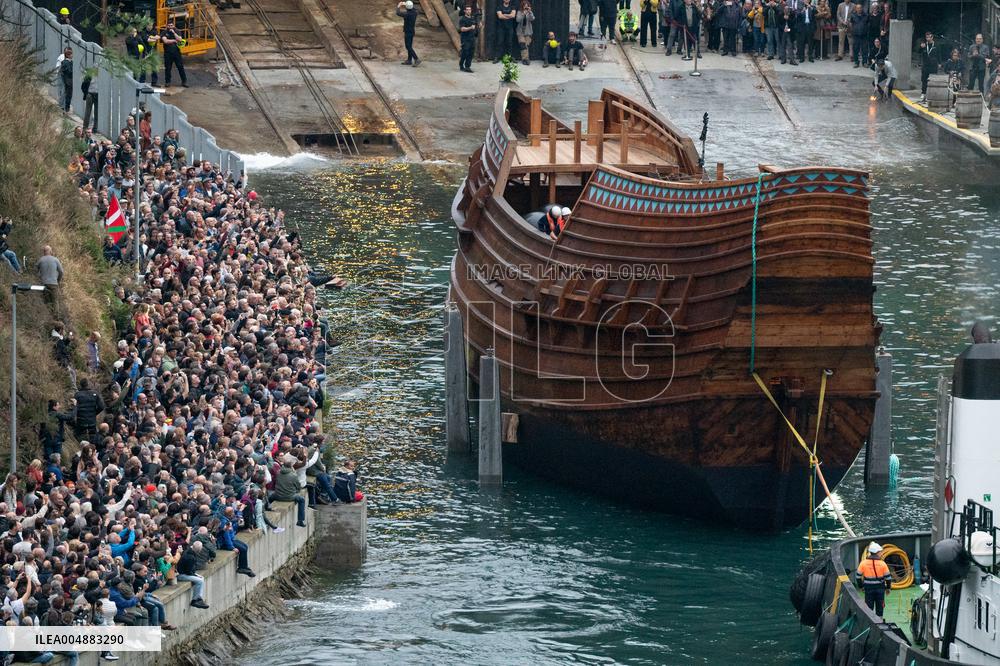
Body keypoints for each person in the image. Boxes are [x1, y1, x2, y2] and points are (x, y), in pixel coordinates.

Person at [856, 542, 891, 617]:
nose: (881, 553)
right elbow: (888, 578)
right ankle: (880, 621)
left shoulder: (863, 563)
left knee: (869, 608)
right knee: (880, 607)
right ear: (877, 553)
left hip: (868, 589)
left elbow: (858, 577)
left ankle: (870, 622)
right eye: (880, 552)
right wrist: (888, 588)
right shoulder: (882, 564)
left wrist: (861, 586)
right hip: (880, 589)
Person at [271, 460, 308, 527]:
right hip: (290, 497)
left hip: (277, 496)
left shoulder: (278, 473)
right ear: (291, 466)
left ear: (283, 465)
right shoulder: (293, 475)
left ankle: (267, 508)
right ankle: (300, 520)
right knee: (302, 500)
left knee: (270, 497)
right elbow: (298, 486)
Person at [175, 544, 209, 609]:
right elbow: (188, 571)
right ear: (199, 551)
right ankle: (195, 600)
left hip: (182, 572)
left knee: (201, 578)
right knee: (200, 581)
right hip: (181, 575)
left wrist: (195, 574)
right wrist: (194, 574)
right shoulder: (191, 557)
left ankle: (199, 598)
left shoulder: (188, 551)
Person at [160, 20, 188, 87]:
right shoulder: (164, 32)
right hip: (167, 53)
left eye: (171, 25)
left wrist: (174, 33)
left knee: (180, 67)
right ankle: (167, 82)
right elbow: (165, 41)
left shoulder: (177, 31)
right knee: (168, 68)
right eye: (169, 26)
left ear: (174, 25)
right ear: (167, 26)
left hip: (177, 53)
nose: (170, 27)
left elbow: (180, 39)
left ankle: (184, 82)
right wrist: (174, 40)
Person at [397, 0, 421, 66]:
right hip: (412, 31)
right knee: (410, 46)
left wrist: (398, 6)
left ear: (407, 7)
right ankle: (409, 60)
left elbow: (398, 13)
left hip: (407, 32)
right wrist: (406, 4)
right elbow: (412, 8)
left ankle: (416, 59)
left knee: (408, 47)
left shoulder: (406, 14)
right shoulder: (415, 12)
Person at [919, 31, 940, 100]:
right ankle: (923, 93)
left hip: (933, 65)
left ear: (932, 37)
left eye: (929, 37)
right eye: (926, 37)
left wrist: (939, 63)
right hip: (925, 64)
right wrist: (921, 47)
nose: (928, 39)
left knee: (932, 80)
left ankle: (932, 93)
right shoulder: (924, 45)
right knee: (924, 79)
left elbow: (939, 55)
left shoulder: (936, 45)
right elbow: (919, 52)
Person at [459, 5, 479, 72]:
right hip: (465, 39)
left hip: (472, 38)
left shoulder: (473, 18)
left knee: (471, 53)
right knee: (465, 52)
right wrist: (470, 28)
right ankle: (461, 65)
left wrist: (479, 26)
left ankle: (467, 66)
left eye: (469, 10)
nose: (469, 11)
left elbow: (475, 26)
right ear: (465, 11)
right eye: (467, 10)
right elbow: (462, 29)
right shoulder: (462, 19)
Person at [55, 47, 73, 113]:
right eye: (69, 53)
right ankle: (62, 106)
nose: (71, 54)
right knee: (63, 91)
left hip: (68, 79)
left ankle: (65, 106)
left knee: (67, 93)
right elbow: (58, 68)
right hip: (63, 77)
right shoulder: (62, 58)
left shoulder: (71, 61)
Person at [849, 3, 867, 68]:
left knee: (864, 50)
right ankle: (856, 62)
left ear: (862, 8)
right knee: (855, 49)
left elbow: (868, 24)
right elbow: (850, 24)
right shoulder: (853, 15)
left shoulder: (865, 15)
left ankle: (864, 62)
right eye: (858, 8)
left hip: (864, 35)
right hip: (856, 35)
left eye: (860, 8)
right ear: (856, 9)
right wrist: (852, 31)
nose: (859, 9)